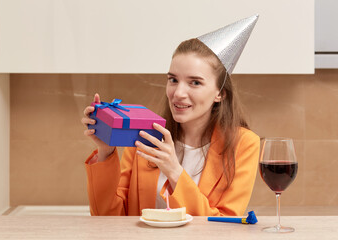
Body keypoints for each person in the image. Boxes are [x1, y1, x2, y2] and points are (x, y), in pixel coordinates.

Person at [81, 15, 260, 216]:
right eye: (173, 80)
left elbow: (226, 225)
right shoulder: (144, 135)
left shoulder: (243, 144)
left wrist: (175, 172)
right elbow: (109, 218)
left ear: (220, 93)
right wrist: (105, 151)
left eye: (195, 82)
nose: (178, 93)